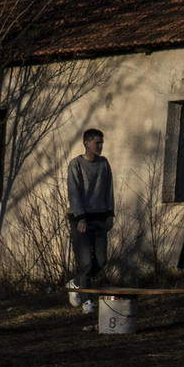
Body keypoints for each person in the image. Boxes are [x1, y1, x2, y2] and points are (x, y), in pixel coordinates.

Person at [66, 128, 115, 313]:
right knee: (85, 262)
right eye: (97, 143)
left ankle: (76, 282)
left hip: (100, 218)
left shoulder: (104, 164)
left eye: (101, 143)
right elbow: (74, 193)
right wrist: (81, 218)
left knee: (101, 261)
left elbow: (109, 190)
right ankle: (88, 300)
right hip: (81, 220)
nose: (100, 146)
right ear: (87, 143)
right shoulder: (76, 164)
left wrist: (110, 214)